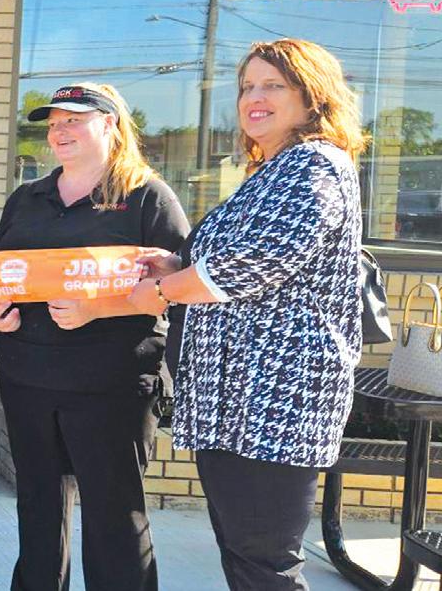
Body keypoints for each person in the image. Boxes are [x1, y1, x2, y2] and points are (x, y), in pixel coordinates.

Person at [132, 40, 366, 589]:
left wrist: (163, 291)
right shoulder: (272, 169)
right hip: (237, 403)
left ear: (312, 97)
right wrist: (178, 264)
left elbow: (259, 260)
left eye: (273, 86)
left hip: (274, 400)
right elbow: (242, 261)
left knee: (265, 564)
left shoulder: (315, 163)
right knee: (245, 557)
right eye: (247, 87)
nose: (253, 98)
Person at [0, 82, 190, 591]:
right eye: (54, 123)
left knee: (114, 516)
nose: (59, 131)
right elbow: (2, 274)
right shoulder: (28, 197)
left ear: (109, 124)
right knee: (37, 511)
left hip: (111, 383)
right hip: (28, 378)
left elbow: (179, 287)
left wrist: (98, 308)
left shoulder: (146, 197)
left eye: (73, 120)